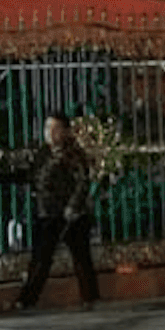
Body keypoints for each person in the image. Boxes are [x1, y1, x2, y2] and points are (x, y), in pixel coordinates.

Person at [12, 111, 100, 311]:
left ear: (66, 131)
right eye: (47, 128)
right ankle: (27, 300)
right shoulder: (43, 154)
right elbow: (34, 176)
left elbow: (82, 182)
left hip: (71, 215)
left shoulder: (73, 154)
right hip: (48, 212)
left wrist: (73, 206)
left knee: (81, 257)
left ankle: (90, 297)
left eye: (55, 128)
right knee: (41, 258)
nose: (50, 133)